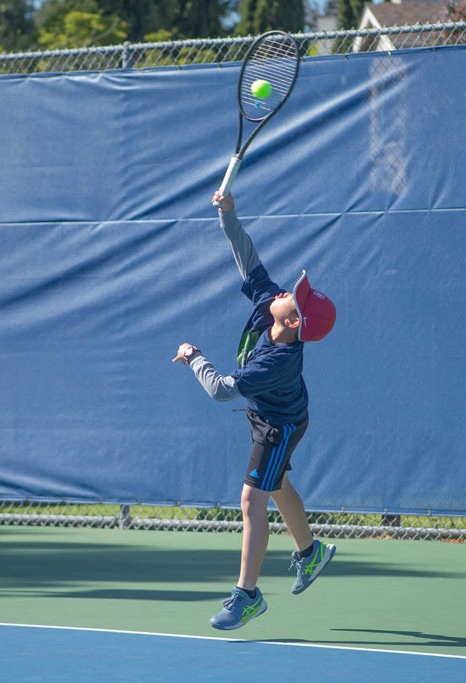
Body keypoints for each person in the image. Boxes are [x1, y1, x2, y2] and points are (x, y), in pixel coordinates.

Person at [172, 190, 338, 631]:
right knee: (276, 480)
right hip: (276, 414)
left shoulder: (274, 363)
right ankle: (310, 551)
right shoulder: (271, 305)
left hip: (279, 425)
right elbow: (247, 256)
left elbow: (223, 390)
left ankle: (247, 596)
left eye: (293, 296)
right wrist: (229, 215)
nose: (287, 290)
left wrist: (193, 357)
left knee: (252, 499)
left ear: (294, 321)